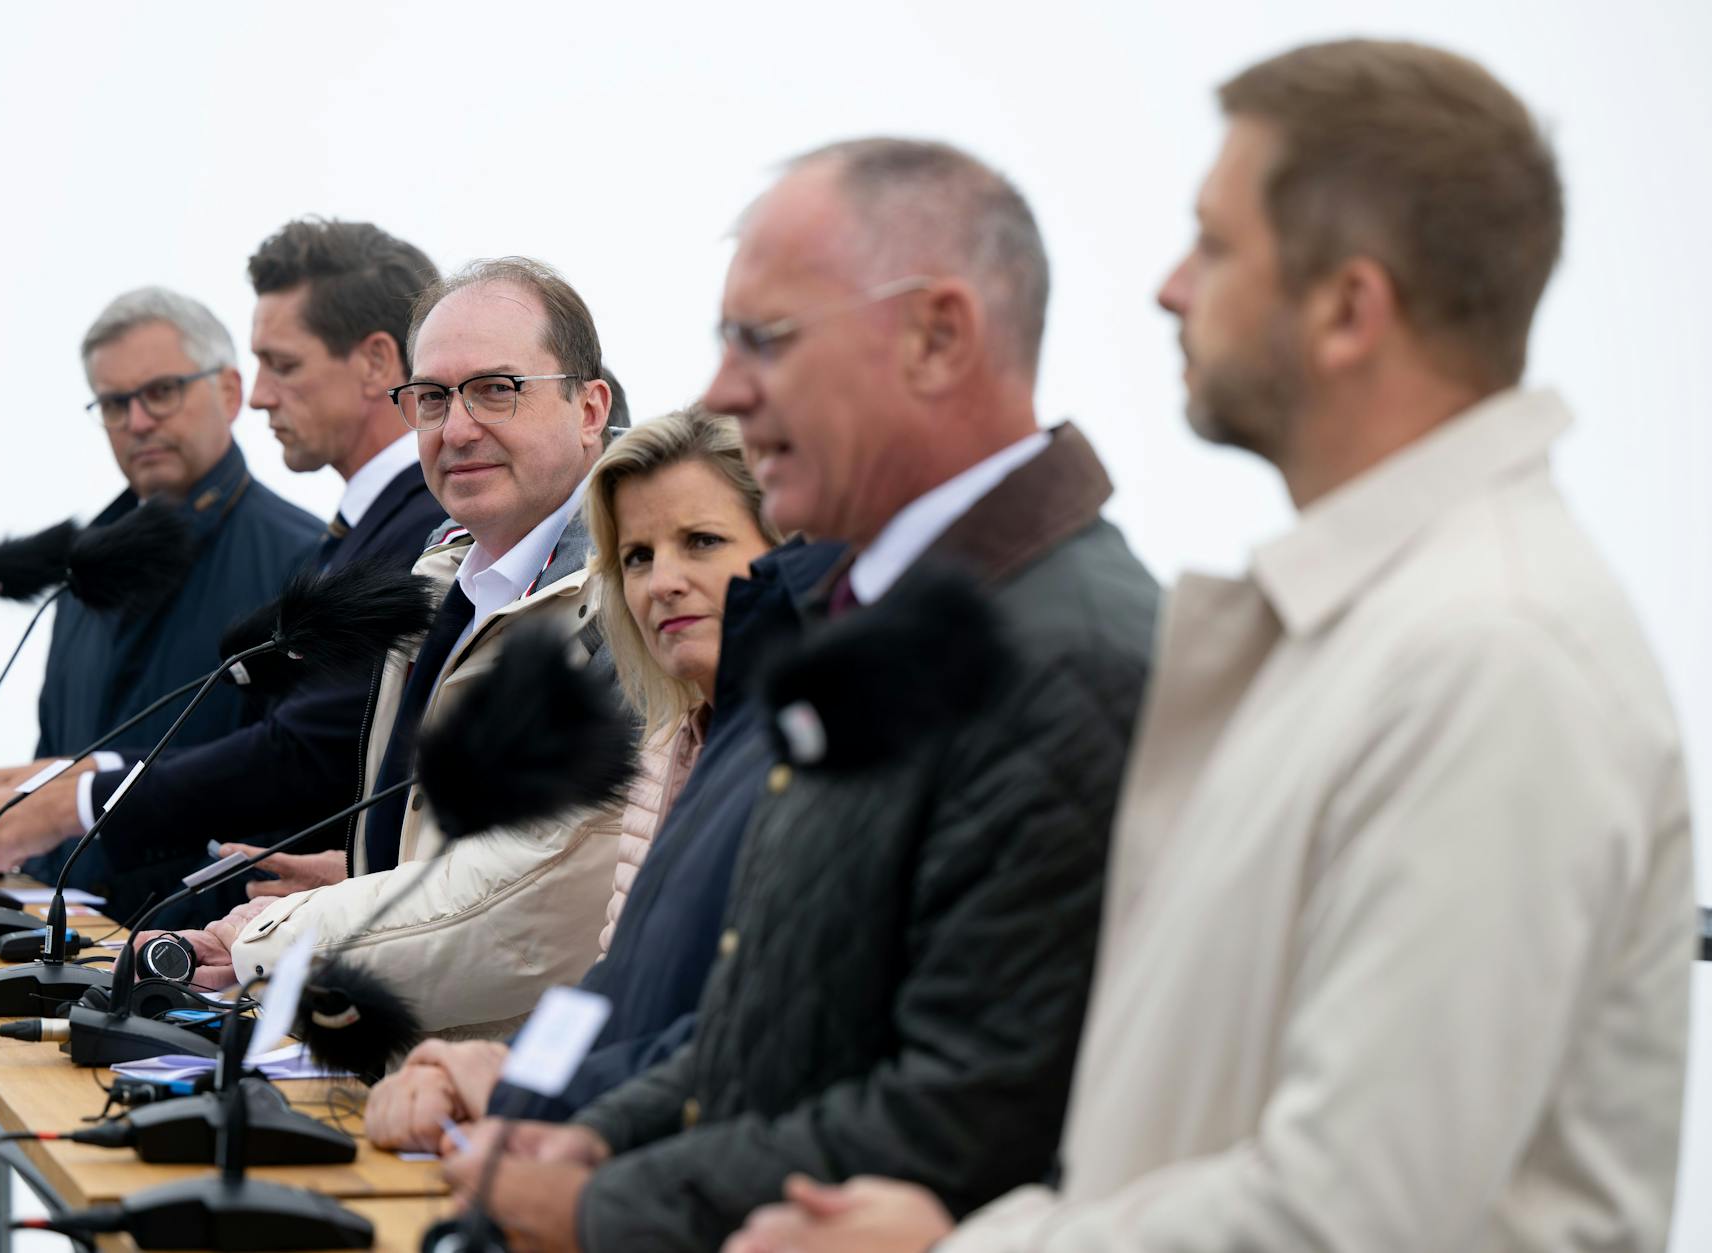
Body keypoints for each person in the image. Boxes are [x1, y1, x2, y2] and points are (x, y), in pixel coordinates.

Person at [728, 40, 1695, 1253]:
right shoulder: (1370, 627)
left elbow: (1350, 1214)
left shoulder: (1491, 654)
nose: (1169, 287)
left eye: (1216, 244)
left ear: (1348, 308)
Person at [442, 139, 1159, 1251]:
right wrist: (593, 1129)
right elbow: (758, 1023)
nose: (725, 389)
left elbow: (966, 1114)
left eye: (766, 339)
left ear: (938, 335)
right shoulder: (869, 625)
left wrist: (600, 1200)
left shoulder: (1060, 654)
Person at [140, 257, 627, 1040]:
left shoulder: (635, 602)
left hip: (520, 1109)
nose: (457, 427)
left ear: (589, 406)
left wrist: (280, 934)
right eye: (432, 397)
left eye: (496, 389)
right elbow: (438, 854)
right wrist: (347, 886)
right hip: (396, 1068)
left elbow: (533, 903)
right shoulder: (440, 581)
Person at [0, 222, 449, 921]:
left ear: (373, 363)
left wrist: (86, 796)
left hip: (205, 948)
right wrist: (78, 775)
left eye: (283, 364)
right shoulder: (86, 570)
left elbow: (298, 756)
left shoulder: (389, 536)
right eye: (114, 403)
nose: (268, 394)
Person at [365, 405, 835, 1149]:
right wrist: (490, 1067)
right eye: (639, 556)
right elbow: (617, 992)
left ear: (788, 548)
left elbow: (745, 1037)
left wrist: (518, 1093)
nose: (663, 582)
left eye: (702, 541)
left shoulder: (823, 753)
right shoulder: (671, 747)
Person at [0, 287, 321, 893]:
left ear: (229, 393)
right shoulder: (83, 569)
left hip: (192, 950)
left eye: (161, 392)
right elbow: (58, 752)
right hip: (57, 929)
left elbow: (293, 781)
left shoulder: (306, 562)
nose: (138, 422)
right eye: (115, 403)